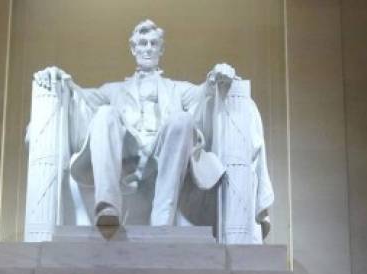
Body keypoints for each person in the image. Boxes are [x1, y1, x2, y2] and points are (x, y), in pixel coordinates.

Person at [34, 19, 237, 226]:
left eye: (153, 43)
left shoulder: (177, 89)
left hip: (164, 154)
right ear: (133, 48)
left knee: (182, 118)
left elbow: (203, 94)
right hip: (127, 155)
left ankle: (162, 218)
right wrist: (61, 80)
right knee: (104, 113)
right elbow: (81, 98)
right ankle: (107, 208)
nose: (148, 48)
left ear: (161, 49)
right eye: (142, 43)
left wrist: (216, 78)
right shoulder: (113, 90)